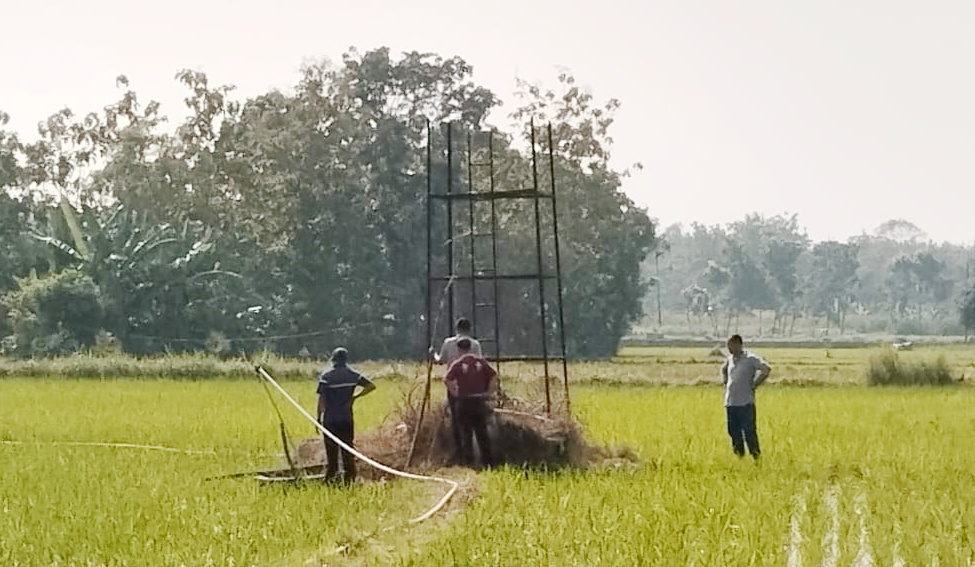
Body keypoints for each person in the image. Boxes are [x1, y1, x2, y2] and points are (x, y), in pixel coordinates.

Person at [316, 347, 376, 483]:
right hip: (346, 419)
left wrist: (318, 417)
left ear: (333, 360)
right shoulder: (353, 375)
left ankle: (332, 479)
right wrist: (355, 396)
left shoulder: (326, 376)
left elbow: (321, 400)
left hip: (330, 420)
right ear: (345, 360)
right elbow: (371, 386)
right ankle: (350, 480)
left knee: (332, 453)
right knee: (347, 450)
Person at [430, 317, 482, 461]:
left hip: (453, 386)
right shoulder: (475, 344)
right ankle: (475, 451)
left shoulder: (448, 343)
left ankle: (461, 452)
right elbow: (480, 362)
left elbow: (439, 360)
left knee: (457, 420)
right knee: (475, 421)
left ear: (457, 329)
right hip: (473, 387)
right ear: (469, 329)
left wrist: (432, 353)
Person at [444, 338, 498, 467]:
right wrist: (489, 391)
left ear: (459, 349)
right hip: (478, 400)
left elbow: (446, 379)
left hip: (464, 401)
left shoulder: (458, 363)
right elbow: (494, 375)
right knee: (482, 433)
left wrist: (454, 392)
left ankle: (469, 462)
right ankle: (488, 461)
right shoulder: (481, 362)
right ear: (471, 348)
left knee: (466, 433)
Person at [720, 334, 772, 460]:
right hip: (731, 403)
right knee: (733, 432)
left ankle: (756, 457)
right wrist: (726, 382)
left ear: (739, 344)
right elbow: (723, 369)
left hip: (745, 403)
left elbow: (766, 369)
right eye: (728, 345)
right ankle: (740, 457)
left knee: (749, 432)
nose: (729, 348)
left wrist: (755, 384)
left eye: (731, 345)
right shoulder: (730, 359)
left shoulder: (750, 358)